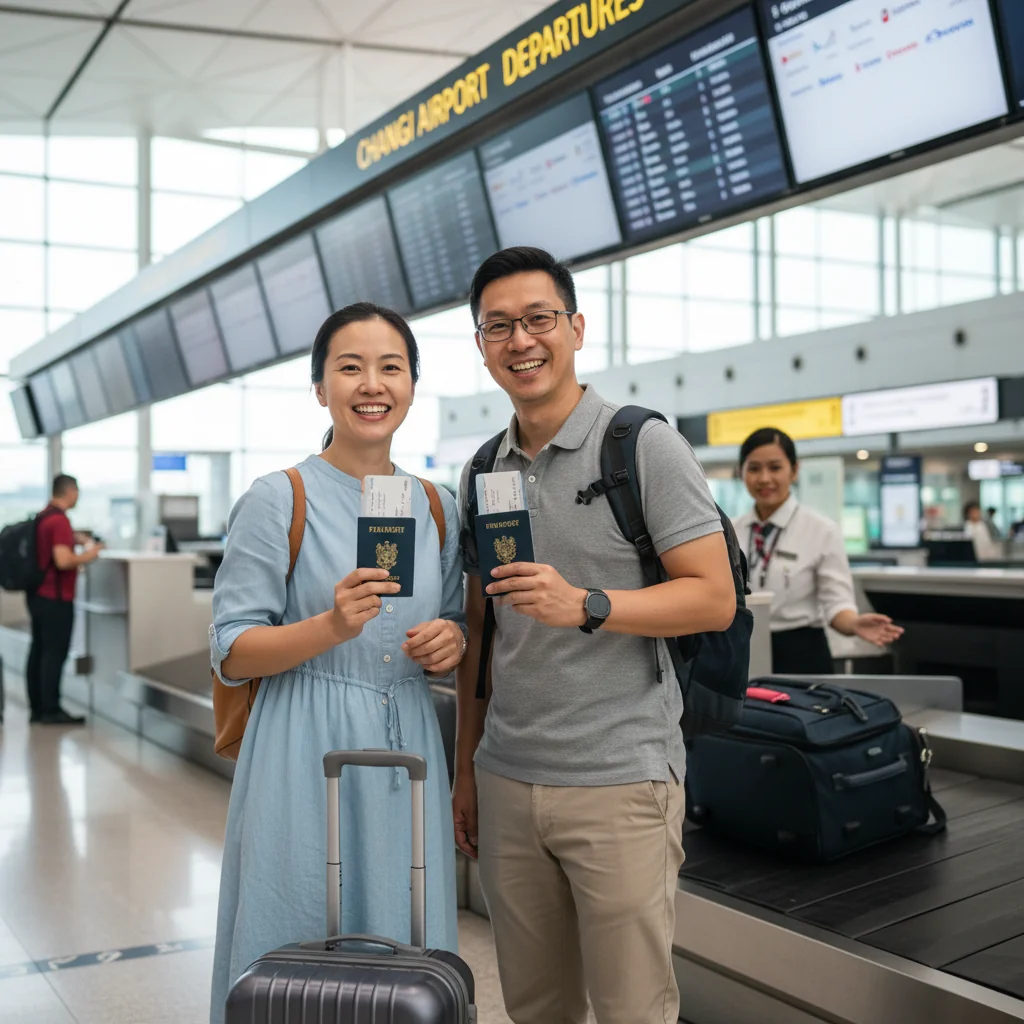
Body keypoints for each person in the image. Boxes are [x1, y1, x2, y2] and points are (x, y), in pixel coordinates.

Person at [452, 247, 736, 1024]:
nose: (521, 340)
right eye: (499, 326)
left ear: (575, 327)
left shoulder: (643, 446)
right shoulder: (483, 469)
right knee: (537, 1007)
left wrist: (589, 604)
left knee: (632, 1008)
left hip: (621, 780)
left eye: (539, 319)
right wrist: (467, 771)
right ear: (480, 345)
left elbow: (713, 598)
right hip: (508, 779)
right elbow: (481, 636)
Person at [209, 303, 465, 1023]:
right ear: (320, 387)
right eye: (349, 367)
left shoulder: (438, 507)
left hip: (406, 741)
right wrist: (327, 625)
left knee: (403, 941)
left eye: (391, 367)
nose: (371, 384)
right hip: (301, 743)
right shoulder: (276, 499)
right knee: (295, 927)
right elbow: (231, 650)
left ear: (413, 383)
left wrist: (452, 640)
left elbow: (457, 620)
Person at [733, 428, 903, 674]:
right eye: (754, 468)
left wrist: (854, 624)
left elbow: (837, 604)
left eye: (775, 467)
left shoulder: (821, 530)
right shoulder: (730, 531)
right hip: (741, 648)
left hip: (801, 652)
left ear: (794, 470)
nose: (764, 478)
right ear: (742, 473)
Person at [26, 473, 103, 725]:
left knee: (39, 650)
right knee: (54, 653)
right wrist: (89, 554)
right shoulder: (59, 521)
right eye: (76, 491)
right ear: (69, 491)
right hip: (56, 598)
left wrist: (76, 537)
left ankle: (38, 708)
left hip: (38, 595)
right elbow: (63, 560)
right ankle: (51, 709)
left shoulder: (43, 516)